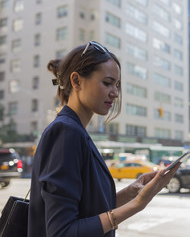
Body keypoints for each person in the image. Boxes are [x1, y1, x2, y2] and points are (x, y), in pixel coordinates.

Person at [28, 41, 181, 236]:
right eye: (107, 83)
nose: (115, 93)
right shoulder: (66, 132)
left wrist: (132, 192)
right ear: (76, 81)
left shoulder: (76, 131)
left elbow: (87, 210)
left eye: (117, 85)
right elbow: (62, 231)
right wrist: (137, 204)